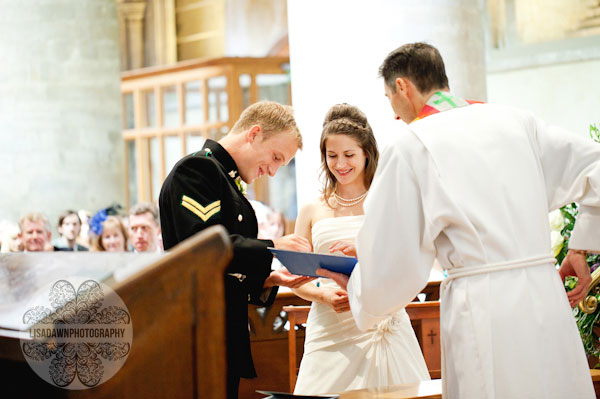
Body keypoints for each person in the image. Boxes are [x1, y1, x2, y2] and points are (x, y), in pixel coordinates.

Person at [319, 42, 600, 399]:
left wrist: (358, 283)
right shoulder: (518, 122)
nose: (393, 114)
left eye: (390, 97)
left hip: (484, 308)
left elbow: (396, 263)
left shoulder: (412, 144)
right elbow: (596, 167)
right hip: (544, 293)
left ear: (403, 87)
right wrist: (581, 244)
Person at [159, 100, 313, 398]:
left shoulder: (225, 178)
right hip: (199, 327)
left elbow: (226, 269)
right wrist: (274, 246)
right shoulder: (198, 170)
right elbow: (203, 247)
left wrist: (269, 279)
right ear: (254, 134)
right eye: (276, 157)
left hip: (221, 327)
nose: (272, 171)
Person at [292, 104, 430, 394]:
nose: (340, 164)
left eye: (349, 155)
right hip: (330, 327)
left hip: (381, 322)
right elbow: (297, 277)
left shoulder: (388, 201)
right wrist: (323, 294)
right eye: (332, 156)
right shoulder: (311, 208)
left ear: (366, 153)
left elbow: (410, 261)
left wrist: (368, 249)